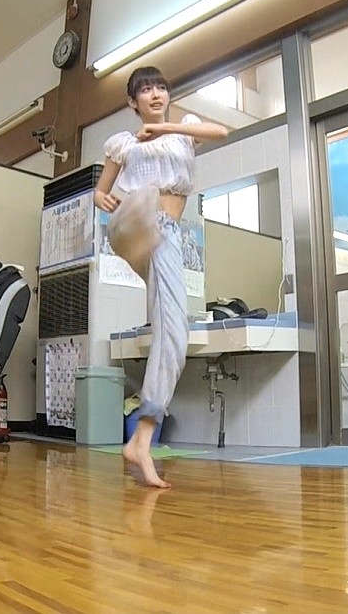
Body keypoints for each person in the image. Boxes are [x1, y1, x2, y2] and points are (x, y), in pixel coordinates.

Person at [95, 67, 228, 487]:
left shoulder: (184, 129)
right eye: (145, 90)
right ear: (132, 102)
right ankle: (142, 439)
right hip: (140, 224)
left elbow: (221, 131)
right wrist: (101, 197)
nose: (155, 94)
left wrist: (165, 128)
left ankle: (142, 438)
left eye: (160, 87)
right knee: (173, 332)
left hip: (166, 233)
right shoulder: (123, 142)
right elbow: (101, 191)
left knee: (172, 335)